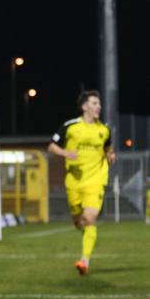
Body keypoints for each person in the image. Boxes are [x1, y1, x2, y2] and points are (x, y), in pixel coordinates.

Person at [47, 90, 115, 276]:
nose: (98, 106)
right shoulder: (70, 126)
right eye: (94, 103)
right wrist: (65, 153)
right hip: (74, 182)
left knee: (90, 218)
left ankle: (84, 261)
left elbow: (108, 148)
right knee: (80, 222)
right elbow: (51, 146)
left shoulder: (104, 129)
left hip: (96, 181)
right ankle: (81, 229)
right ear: (84, 106)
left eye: (99, 103)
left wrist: (110, 156)